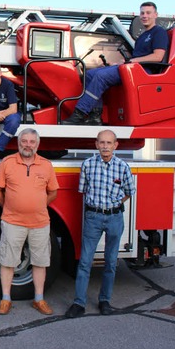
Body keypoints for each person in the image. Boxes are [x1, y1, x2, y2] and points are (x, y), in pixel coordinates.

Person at [65, 129, 136, 318]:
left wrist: (113, 205)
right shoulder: (87, 165)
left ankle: (105, 301)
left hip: (114, 218)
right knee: (85, 262)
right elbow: (84, 190)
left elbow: (129, 191)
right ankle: (78, 303)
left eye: (109, 143)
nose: (105, 146)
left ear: (115, 145)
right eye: (101, 143)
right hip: (93, 218)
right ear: (96, 145)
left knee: (111, 262)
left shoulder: (122, 167)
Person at [64, 2, 169, 125]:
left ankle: (79, 113)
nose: (144, 16)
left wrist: (131, 62)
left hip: (143, 71)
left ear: (155, 15)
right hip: (132, 67)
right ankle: (95, 116)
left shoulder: (159, 32)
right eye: (142, 13)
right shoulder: (142, 36)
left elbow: (158, 56)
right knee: (90, 74)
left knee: (101, 76)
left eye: (148, 13)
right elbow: (135, 57)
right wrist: (118, 63)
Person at [0, 128, 59, 315]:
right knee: (7, 261)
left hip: (40, 223)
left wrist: (38, 206)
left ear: (37, 144)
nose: (28, 145)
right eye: (24, 141)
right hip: (12, 222)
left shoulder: (46, 165)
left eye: (32, 142)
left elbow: (53, 192)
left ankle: (39, 299)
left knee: (40, 261)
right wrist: (9, 207)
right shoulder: (7, 162)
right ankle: (6, 299)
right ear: (18, 142)